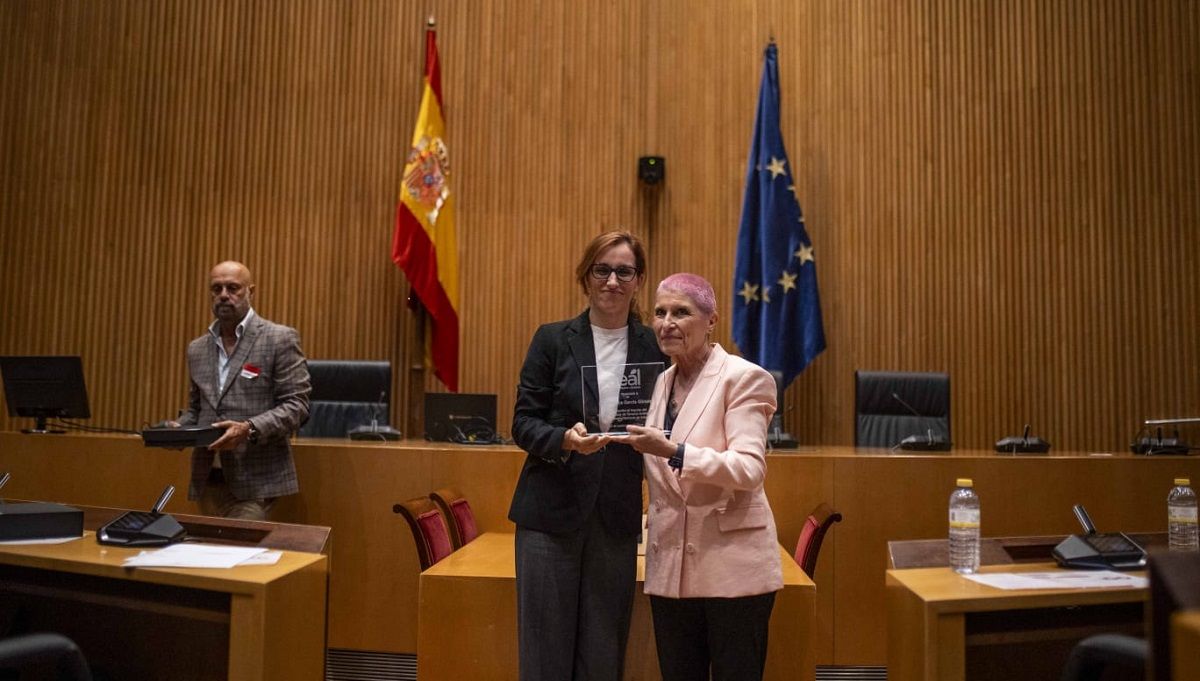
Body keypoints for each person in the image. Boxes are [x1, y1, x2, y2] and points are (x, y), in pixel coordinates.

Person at [508, 231, 666, 681]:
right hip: (549, 514)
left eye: (624, 271)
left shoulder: (655, 347)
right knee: (544, 656)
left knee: (603, 656)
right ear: (586, 276)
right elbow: (523, 423)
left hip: (614, 517)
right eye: (603, 269)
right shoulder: (553, 340)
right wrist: (564, 439)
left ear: (638, 281)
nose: (612, 280)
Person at [625, 273, 782, 681]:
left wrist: (675, 452)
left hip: (733, 569)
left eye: (681, 312)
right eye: (659, 313)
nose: (666, 322)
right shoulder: (662, 381)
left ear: (712, 320)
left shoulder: (744, 377)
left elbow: (749, 469)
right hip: (672, 567)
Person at [172, 261, 311, 520]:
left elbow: (297, 406)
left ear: (251, 291)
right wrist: (177, 429)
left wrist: (249, 428)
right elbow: (197, 409)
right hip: (207, 480)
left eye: (233, 287)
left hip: (256, 481)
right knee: (210, 556)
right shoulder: (197, 348)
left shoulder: (278, 339)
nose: (224, 294)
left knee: (238, 557)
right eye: (217, 288)